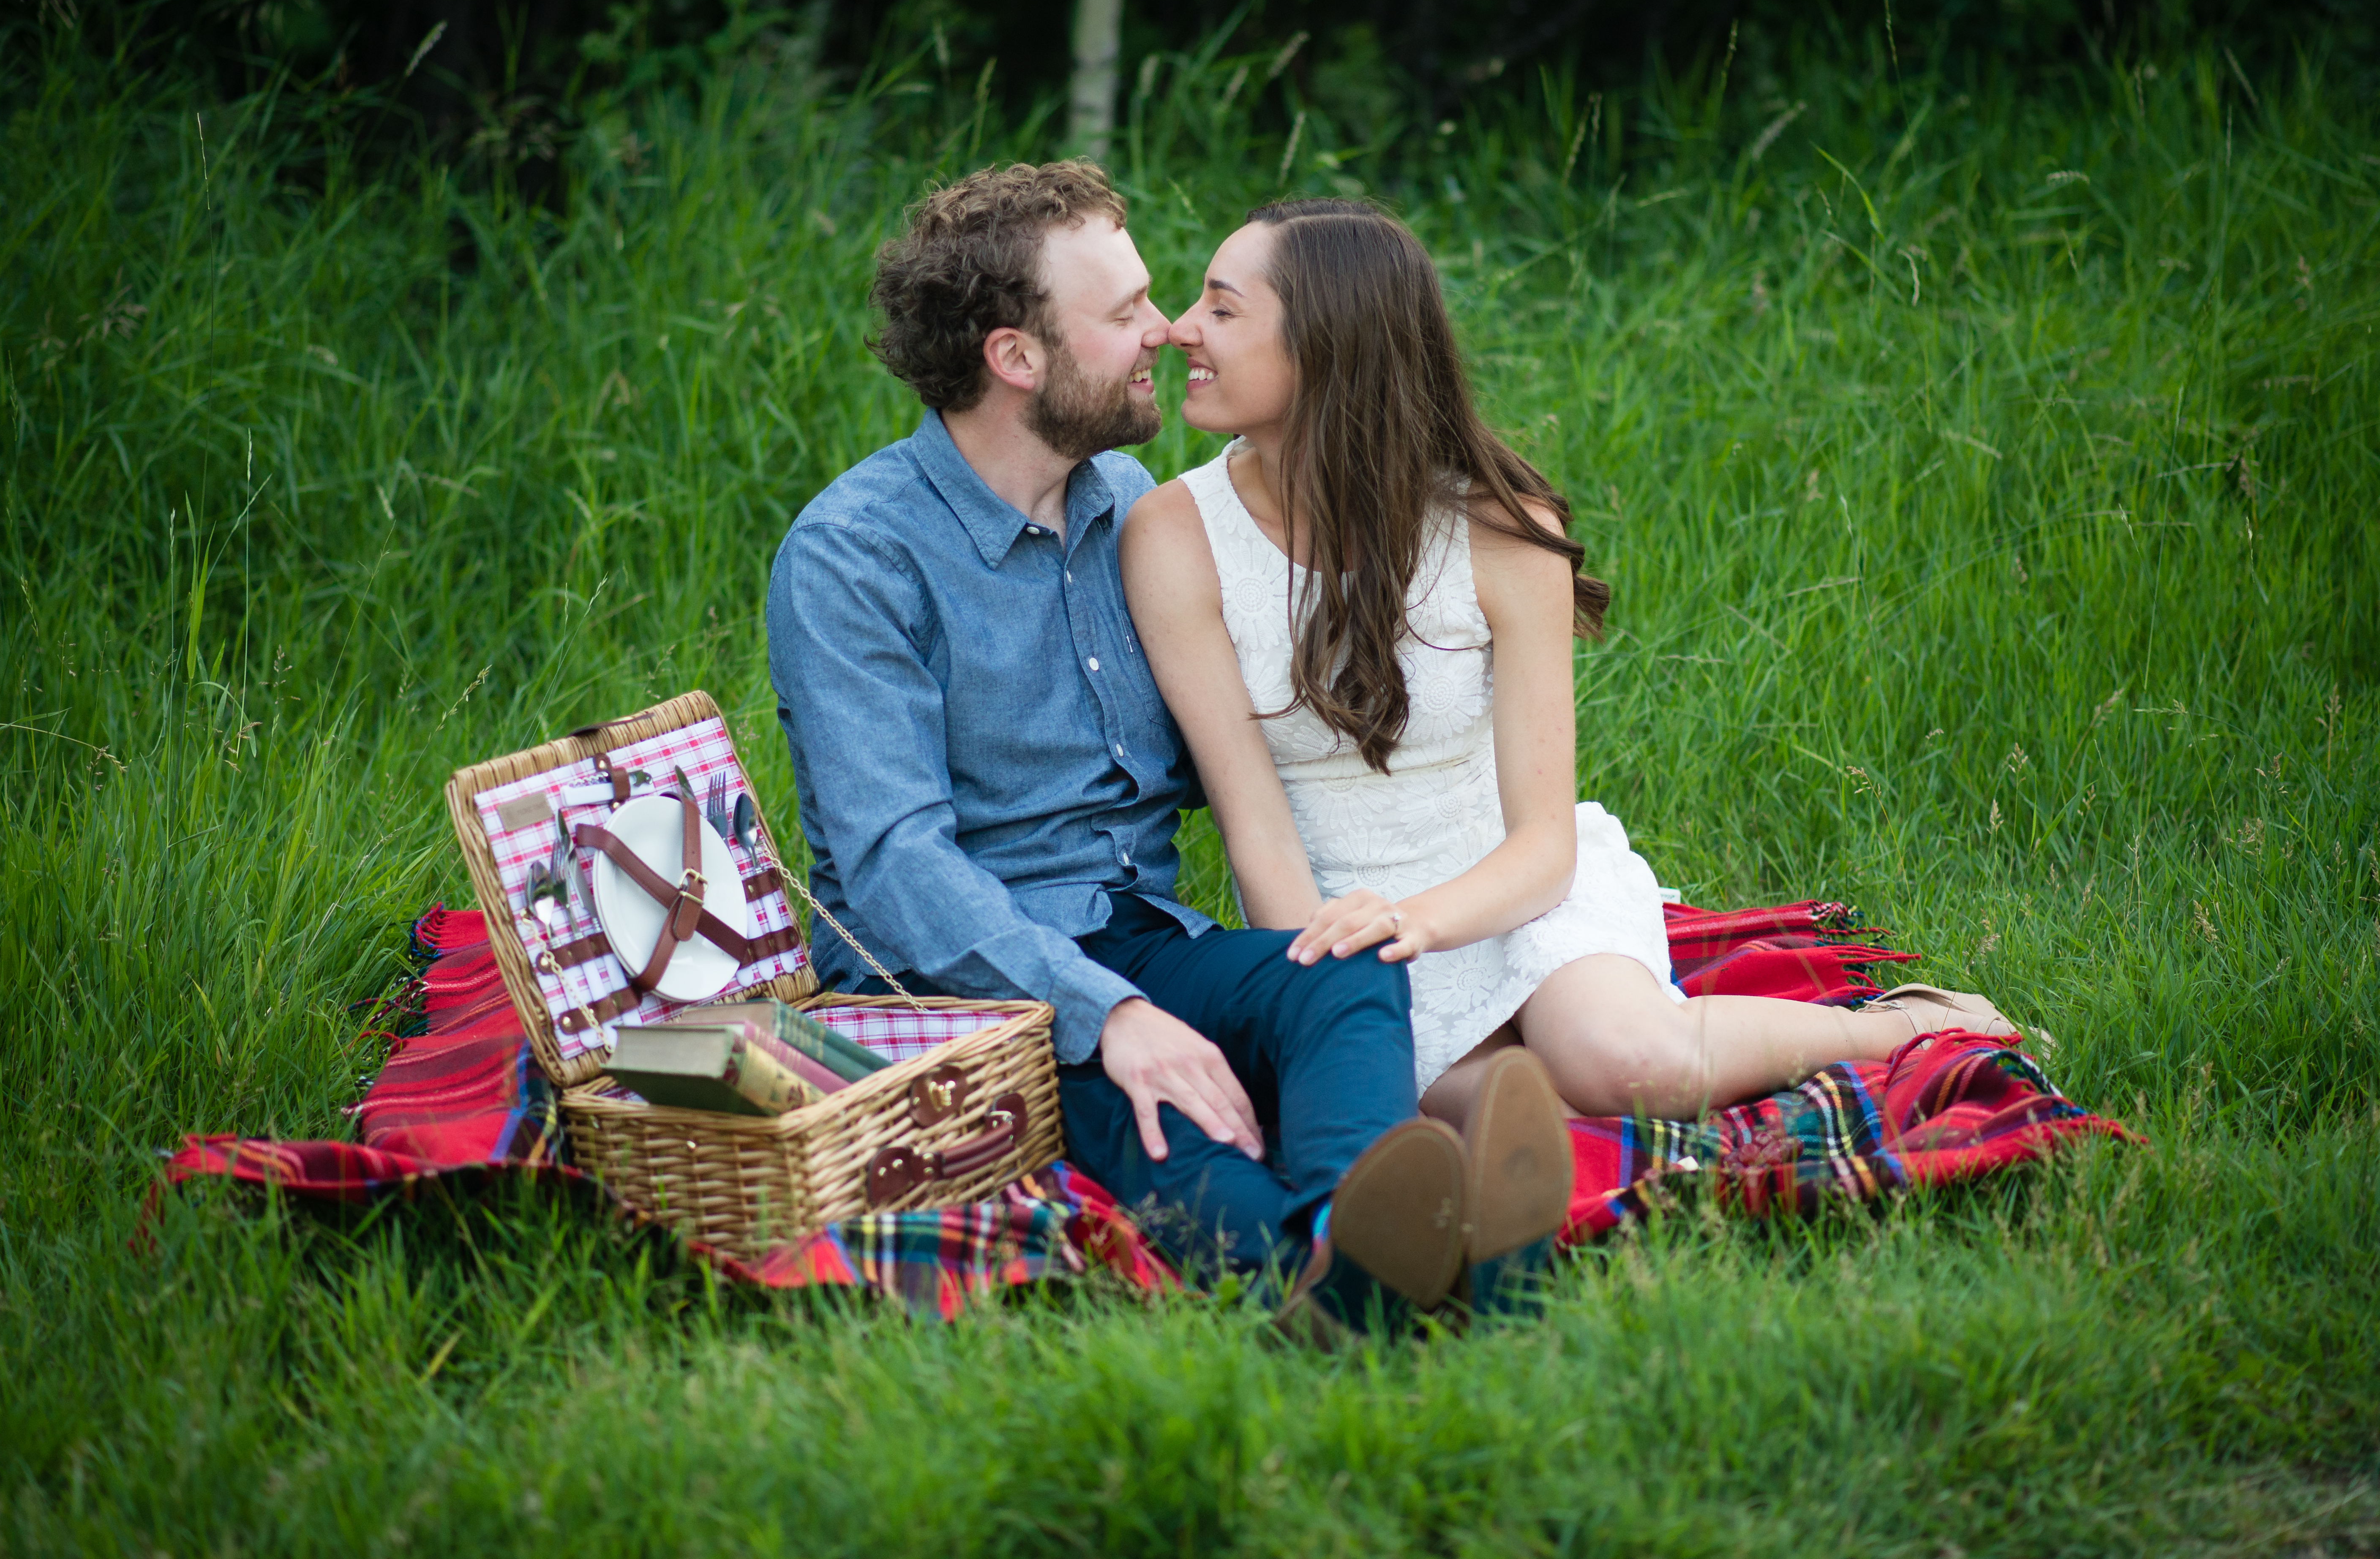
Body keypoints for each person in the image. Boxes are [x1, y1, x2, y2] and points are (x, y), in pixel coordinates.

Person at [764, 165, 1571, 1334]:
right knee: (1171, 1113)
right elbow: (893, 869)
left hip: (1145, 933)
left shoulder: (1126, 504)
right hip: (968, 986)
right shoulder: (856, 557)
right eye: (1125, 312)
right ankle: (1360, 1282)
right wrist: (1109, 1015)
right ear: (1016, 359)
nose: (1166, 333)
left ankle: (1367, 1236)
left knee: (1342, 967)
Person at [1120, 200, 2025, 1126]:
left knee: (1622, 1066)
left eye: (1222, 309)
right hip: (1332, 924)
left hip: (1506, 887)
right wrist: (1320, 976)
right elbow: (1253, 828)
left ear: (1328, 344)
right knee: (1428, 1105)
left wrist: (1419, 920)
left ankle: (1890, 1031)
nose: (1181, 329)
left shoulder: (1498, 531)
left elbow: (1543, 847)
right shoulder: (1174, 538)